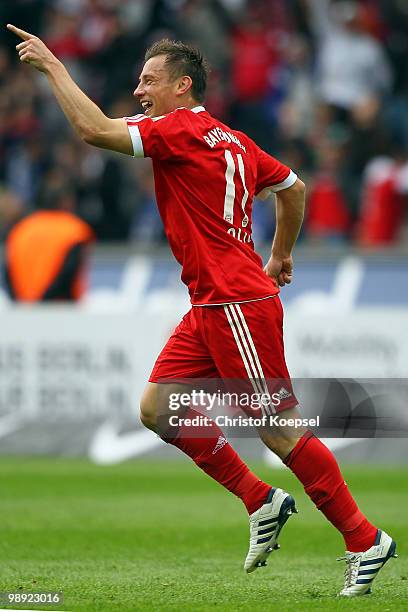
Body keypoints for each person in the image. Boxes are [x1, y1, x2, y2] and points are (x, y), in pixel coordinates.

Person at [7, 23, 396, 596]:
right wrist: (280, 256)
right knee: (158, 409)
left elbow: (93, 131)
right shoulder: (231, 139)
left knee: (278, 430)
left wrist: (52, 67)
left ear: (182, 85)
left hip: (234, 299)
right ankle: (262, 500)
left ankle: (365, 540)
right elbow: (293, 188)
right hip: (216, 301)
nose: (140, 91)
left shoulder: (179, 130)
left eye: (150, 81)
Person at [4, 184, 94, 302]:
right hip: (60, 308)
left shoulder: (21, 229)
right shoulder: (74, 229)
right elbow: (69, 272)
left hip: (24, 308)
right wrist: (44, 302)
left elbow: (8, 271)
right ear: (66, 201)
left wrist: (20, 304)